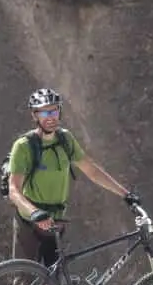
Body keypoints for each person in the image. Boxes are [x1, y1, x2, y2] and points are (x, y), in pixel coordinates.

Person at [7, 88, 139, 270]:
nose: (51, 117)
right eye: (45, 112)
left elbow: (91, 170)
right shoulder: (23, 146)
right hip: (29, 222)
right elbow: (13, 190)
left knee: (56, 277)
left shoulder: (65, 140)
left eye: (54, 110)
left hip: (55, 221)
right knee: (24, 284)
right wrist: (34, 213)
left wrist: (126, 194)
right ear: (35, 115)